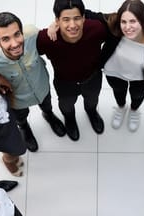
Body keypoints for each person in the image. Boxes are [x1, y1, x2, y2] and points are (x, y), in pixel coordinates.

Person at [0, 12, 66, 152]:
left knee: (47, 105)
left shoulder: (32, 33)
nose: (15, 43)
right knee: (21, 118)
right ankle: (24, 128)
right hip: (17, 100)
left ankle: (49, 115)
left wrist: (54, 25)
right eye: (6, 39)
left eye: (17, 34)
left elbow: (50, 34)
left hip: (41, 87)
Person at [36, 0, 108, 141]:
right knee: (66, 106)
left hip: (92, 78)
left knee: (92, 101)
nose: (72, 25)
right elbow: (25, 50)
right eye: (66, 20)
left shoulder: (97, 29)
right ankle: (69, 119)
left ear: (84, 18)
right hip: (64, 82)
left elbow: (117, 24)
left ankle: (91, 112)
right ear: (57, 21)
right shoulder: (47, 39)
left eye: (77, 18)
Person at [94, 0, 144, 131]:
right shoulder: (112, 24)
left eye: (133, 21)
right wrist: (56, 23)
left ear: (143, 20)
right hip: (114, 73)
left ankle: (133, 111)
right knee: (118, 92)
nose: (127, 27)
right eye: (124, 22)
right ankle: (121, 108)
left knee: (137, 96)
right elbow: (84, 14)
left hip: (141, 78)